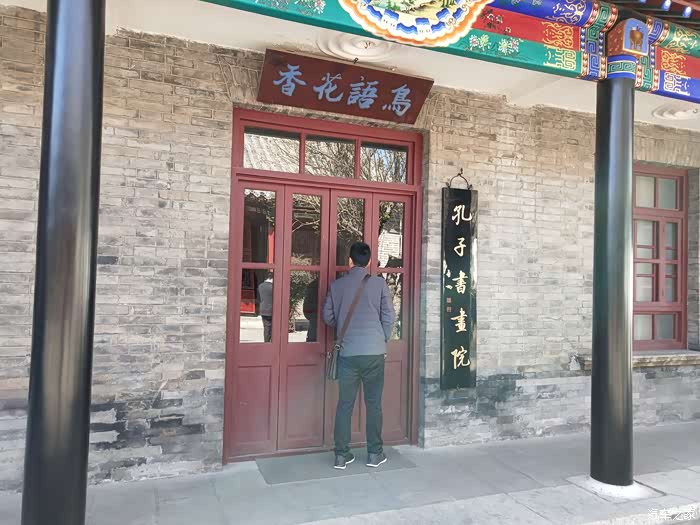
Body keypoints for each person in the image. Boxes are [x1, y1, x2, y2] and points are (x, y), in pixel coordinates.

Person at [322, 242, 395, 470]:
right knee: (374, 405)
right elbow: (389, 316)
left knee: (345, 404)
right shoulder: (379, 284)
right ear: (370, 261)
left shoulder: (337, 285)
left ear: (350, 261)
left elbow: (327, 317)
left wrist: (343, 323)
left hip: (348, 353)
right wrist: (381, 338)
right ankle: (374, 454)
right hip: (374, 353)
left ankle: (341, 456)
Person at [257, 273, 273, 343]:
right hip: (272, 310)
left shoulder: (260, 286)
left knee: (266, 327)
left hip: (263, 309)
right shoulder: (273, 287)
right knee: (273, 328)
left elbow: (258, 299)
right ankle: (272, 343)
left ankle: (266, 342)